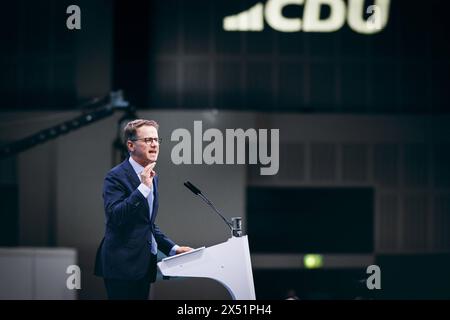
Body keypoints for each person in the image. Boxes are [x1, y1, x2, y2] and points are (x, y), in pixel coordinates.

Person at [94, 119, 192, 299]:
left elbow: (146, 224)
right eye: (148, 140)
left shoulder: (152, 177)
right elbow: (115, 215)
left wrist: (173, 248)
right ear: (131, 145)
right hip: (121, 265)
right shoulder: (115, 176)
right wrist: (143, 188)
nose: (154, 144)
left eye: (156, 140)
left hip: (143, 266)